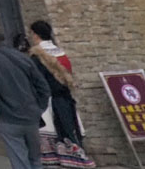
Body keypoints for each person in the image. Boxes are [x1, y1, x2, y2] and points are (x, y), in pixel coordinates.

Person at [0, 26, 51, 169]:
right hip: (30, 116)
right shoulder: (22, 57)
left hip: (8, 117)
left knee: (19, 161)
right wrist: (38, 108)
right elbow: (43, 86)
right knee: (35, 159)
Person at [26, 21, 94, 167]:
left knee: (51, 138)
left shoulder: (37, 56)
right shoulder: (61, 53)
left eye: (32, 33)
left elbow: (37, 82)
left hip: (48, 103)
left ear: (36, 35)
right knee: (69, 132)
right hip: (65, 100)